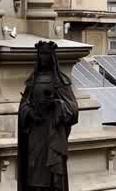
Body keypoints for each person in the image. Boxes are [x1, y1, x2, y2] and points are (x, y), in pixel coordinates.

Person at [17, 41, 79, 191]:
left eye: (46, 54)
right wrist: (29, 112)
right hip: (35, 133)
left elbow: (73, 109)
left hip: (52, 132)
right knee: (34, 172)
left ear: (52, 56)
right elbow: (23, 106)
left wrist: (57, 105)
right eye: (40, 54)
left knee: (51, 173)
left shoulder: (60, 81)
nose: (43, 57)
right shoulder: (32, 82)